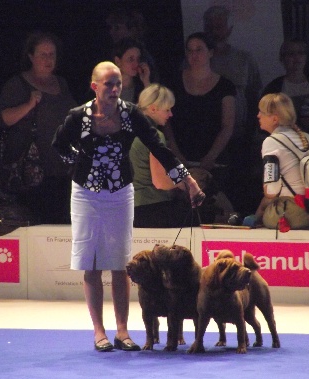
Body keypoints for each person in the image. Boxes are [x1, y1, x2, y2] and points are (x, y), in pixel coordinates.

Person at [52, 61, 205, 352]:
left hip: (121, 192)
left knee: (121, 263)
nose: (114, 89)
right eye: (108, 84)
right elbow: (58, 145)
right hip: (85, 194)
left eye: (118, 83)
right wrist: (80, 164)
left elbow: (160, 149)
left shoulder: (131, 114)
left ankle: (122, 331)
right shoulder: (78, 116)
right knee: (92, 264)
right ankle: (99, 332)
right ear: (94, 86)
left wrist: (189, 182)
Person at [0, 31, 76, 224]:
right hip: (29, 173)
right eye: (43, 54)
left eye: (52, 54)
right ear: (31, 56)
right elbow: (1, 119)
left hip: (59, 170)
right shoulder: (17, 84)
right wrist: (29, 105)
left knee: (57, 225)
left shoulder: (61, 83)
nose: (48, 59)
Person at [165, 32, 237, 210]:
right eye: (189, 50)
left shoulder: (225, 86)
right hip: (180, 155)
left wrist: (210, 158)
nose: (194, 55)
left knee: (213, 208)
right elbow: (165, 119)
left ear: (211, 52)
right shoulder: (173, 81)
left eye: (199, 50)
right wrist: (176, 153)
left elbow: (227, 126)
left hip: (214, 161)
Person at [244, 92, 309, 230]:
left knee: (266, 215)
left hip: (294, 215)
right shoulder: (307, 137)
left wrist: (258, 214)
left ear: (274, 119)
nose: (258, 115)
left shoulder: (271, 141)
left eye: (262, 112)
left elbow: (271, 191)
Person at [129, 83, 194, 227]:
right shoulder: (154, 136)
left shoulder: (126, 132)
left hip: (129, 209)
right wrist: (186, 184)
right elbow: (160, 182)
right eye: (167, 110)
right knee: (198, 215)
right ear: (153, 109)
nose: (170, 114)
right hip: (152, 208)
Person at [262, 38, 309, 156]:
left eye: (300, 53)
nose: (296, 59)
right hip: (287, 149)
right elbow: (264, 122)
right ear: (283, 58)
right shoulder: (274, 87)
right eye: (291, 54)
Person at [203, 5, 262, 138]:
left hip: (239, 133)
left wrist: (252, 128)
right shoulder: (194, 59)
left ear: (229, 29)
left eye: (218, 27)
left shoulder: (244, 59)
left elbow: (254, 95)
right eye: (209, 27)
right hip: (205, 133)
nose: (213, 32)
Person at [112, 37, 152, 103]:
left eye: (138, 59)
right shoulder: (107, 86)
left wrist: (146, 81)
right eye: (131, 59)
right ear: (118, 61)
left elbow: (156, 109)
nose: (136, 63)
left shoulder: (141, 86)